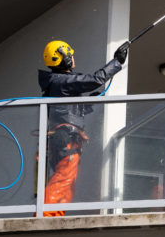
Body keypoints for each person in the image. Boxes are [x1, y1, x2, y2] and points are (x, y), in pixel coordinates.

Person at [38, 39, 129, 216]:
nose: (72, 57)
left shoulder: (55, 83)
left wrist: (86, 103)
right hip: (66, 138)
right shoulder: (61, 81)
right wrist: (117, 62)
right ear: (62, 58)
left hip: (61, 137)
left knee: (68, 180)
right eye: (70, 55)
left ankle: (55, 215)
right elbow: (95, 79)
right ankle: (45, 216)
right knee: (64, 178)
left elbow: (64, 109)